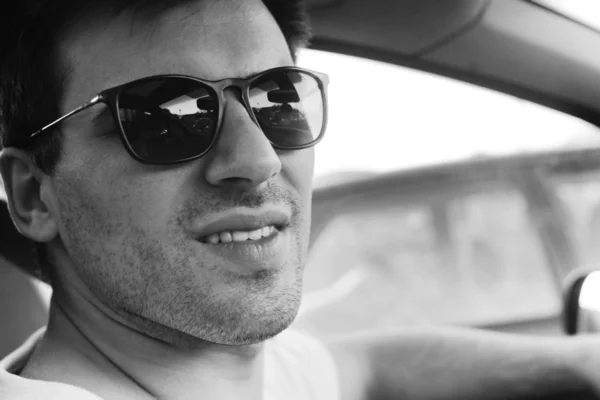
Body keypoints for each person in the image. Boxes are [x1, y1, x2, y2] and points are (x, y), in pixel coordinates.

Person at [1, 1, 600, 399]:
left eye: (277, 98)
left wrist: (579, 364)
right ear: (33, 195)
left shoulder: (247, 370)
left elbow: (364, 367)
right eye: (164, 118)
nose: (258, 158)